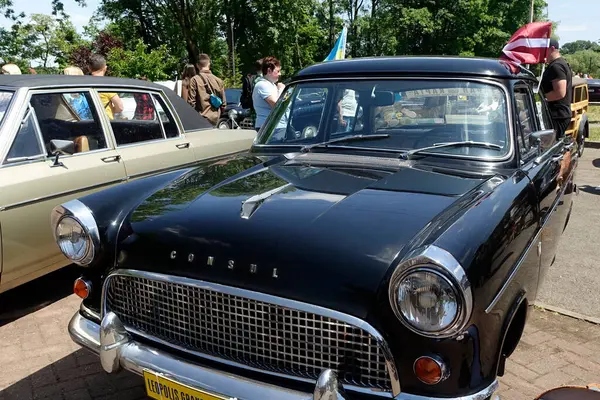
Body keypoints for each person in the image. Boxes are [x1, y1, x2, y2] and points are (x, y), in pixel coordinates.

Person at [541, 39, 573, 140]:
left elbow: (559, 93)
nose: (542, 52)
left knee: (553, 147)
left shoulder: (556, 66)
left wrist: (540, 99)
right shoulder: (559, 64)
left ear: (552, 49)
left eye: (544, 49)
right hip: (559, 114)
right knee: (558, 144)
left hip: (557, 115)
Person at [188, 54, 226, 126]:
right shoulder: (218, 80)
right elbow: (223, 104)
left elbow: (191, 103)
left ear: (197, 65)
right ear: (209, 63)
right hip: (215, 119)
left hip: (200, 119)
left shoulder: (194, 80)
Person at [252, 56, 286, 131]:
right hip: (269, 128)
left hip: (278, 126)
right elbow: (276, 105)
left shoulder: (271, 85)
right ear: (269, 71)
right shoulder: (262, 85)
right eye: (278, 71)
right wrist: (281, 90)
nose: (280, 74)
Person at [89, 54, 123, 120]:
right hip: (105, 123)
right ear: (105, 68)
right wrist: (112, 110)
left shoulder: (85, 83)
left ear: (89, 68)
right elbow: (120, 107)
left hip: (89, 121)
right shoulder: (105, 86)